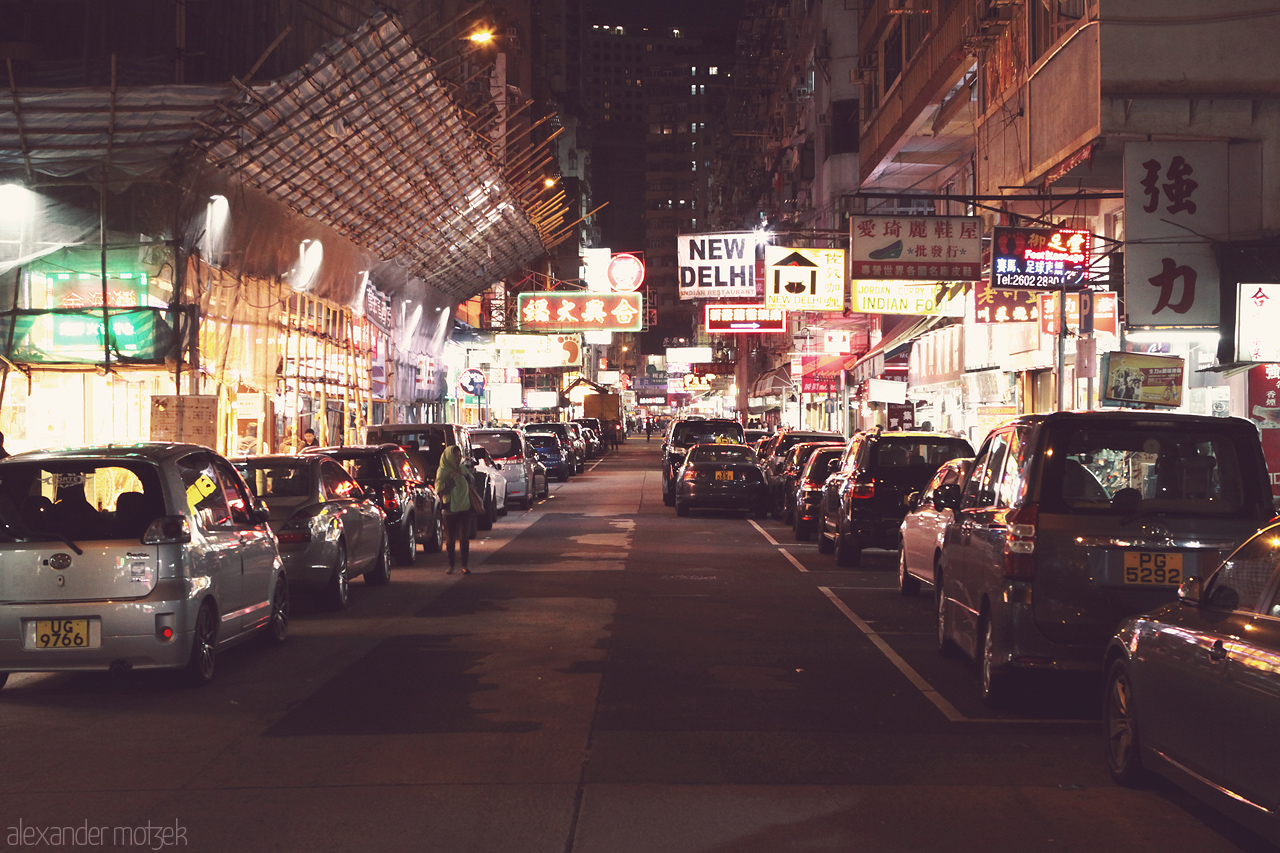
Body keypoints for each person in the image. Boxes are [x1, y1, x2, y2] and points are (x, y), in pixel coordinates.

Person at [434, 445, 473, 574]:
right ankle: (451, 565)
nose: (457, 459)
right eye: (454, 456)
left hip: (464, 507)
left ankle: (464, 565)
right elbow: (440, 490)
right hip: (449, 508)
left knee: (464, 538)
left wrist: (465, 476)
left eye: (459, 455)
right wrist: (451, 479)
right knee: (450, 540)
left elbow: (471, 481)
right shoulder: (443, 471)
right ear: (448, 456)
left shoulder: (462, 468)